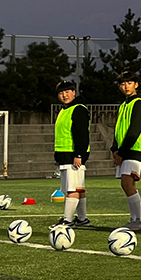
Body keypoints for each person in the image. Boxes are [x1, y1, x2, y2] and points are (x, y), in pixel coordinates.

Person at [110, 71, 141, 231]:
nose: (126, 86)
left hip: (134, 150)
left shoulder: (139, 103)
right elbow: (118, 129)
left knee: (127, 183)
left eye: (129, 83)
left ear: (136, 84)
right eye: (122, 84)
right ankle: (135, 219)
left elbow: (135, 130)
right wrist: (114, 148)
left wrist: (122, 151)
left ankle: (140, 220)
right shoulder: (124, 104)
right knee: (127, 184)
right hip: (124, 150)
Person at [53, 80, 92, 227]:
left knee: (72, 189)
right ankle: (82, 219)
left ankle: (67, 220)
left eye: (67, 91)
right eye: (61, 93)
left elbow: (82, 134)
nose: (64, 95)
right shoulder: (65, 110)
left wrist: (79, 155)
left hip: (73, 156)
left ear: (74, 92)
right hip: (65, 156)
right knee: (78, 188)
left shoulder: (78, 109)